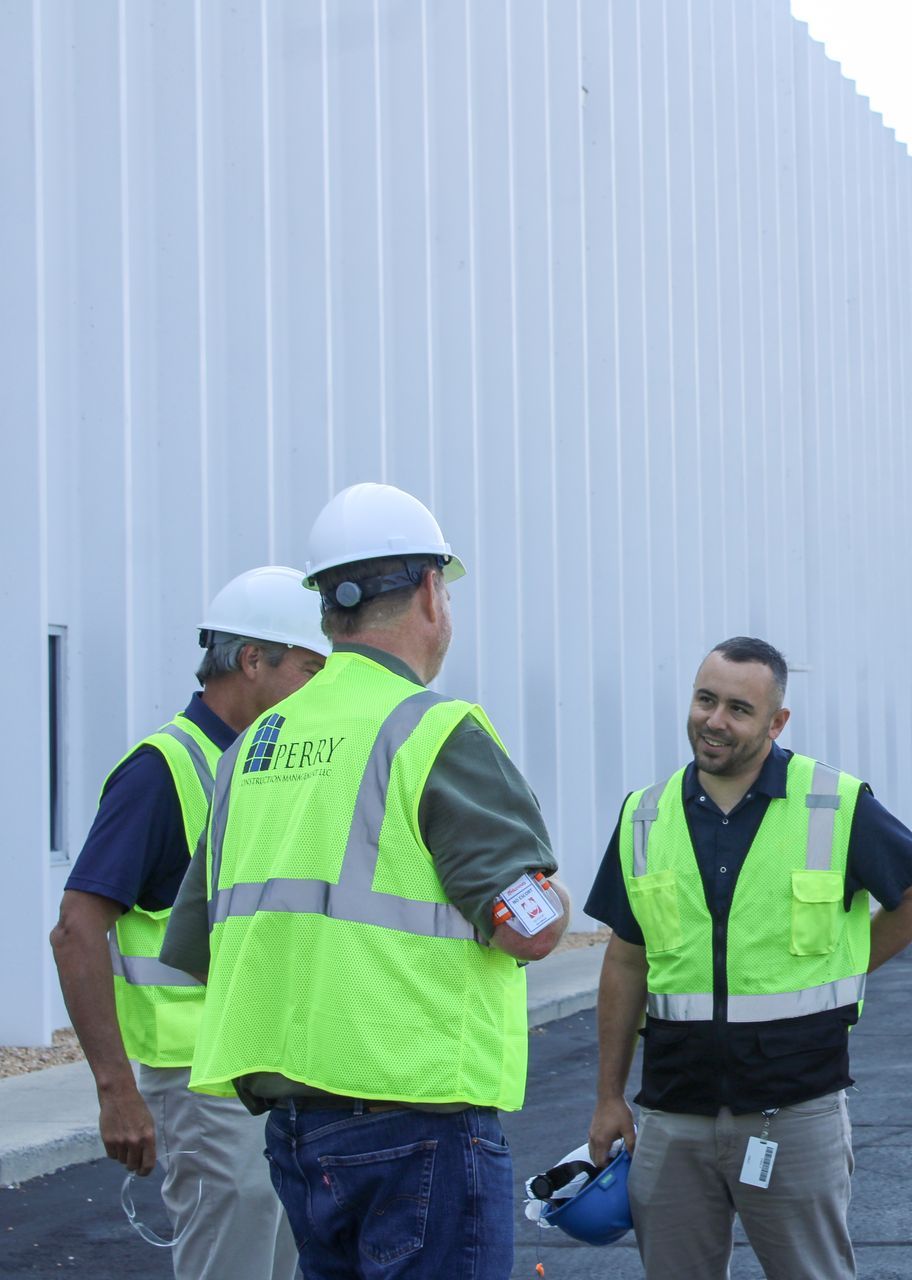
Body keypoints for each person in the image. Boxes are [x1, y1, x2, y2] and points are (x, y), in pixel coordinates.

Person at [159, 482, 571, 1280]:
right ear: (429, 592)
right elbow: (528, 924)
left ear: (327, 612)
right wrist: (548, 902)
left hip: (294, 1131)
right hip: (418, 1124)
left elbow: (204, 941)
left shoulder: (250, 750)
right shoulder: (433, 729)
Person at [584, 636, 912, 1279]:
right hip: (673, 1111)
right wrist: (608, 1095)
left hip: (795, 1111)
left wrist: (848, 962)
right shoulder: (645, 815)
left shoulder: (832, 803)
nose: (714, 721)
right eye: (705, 700)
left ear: (777, 722)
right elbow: (625, 960)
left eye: (738, 708)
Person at [49, 565, 325, 1280]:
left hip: (278, 1076)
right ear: (251, 659)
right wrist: (117, 1091)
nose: (320, 687)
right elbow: (77, 929)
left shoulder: (270, 766)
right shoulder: (161, 771)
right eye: (308, 667)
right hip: (203, 1083)